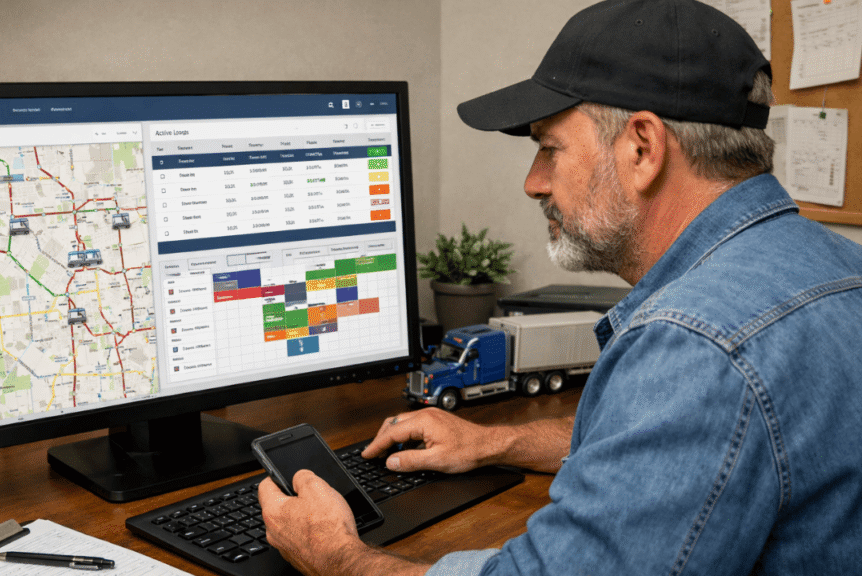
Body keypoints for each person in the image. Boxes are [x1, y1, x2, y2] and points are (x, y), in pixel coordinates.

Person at [258, 0, 862, 574]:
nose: (533, 181)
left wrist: (336, 556)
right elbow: (688, 448)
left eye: (550, 148)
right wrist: (499, 442)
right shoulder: (835, 265)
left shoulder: (697, 345)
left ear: (643, 148)